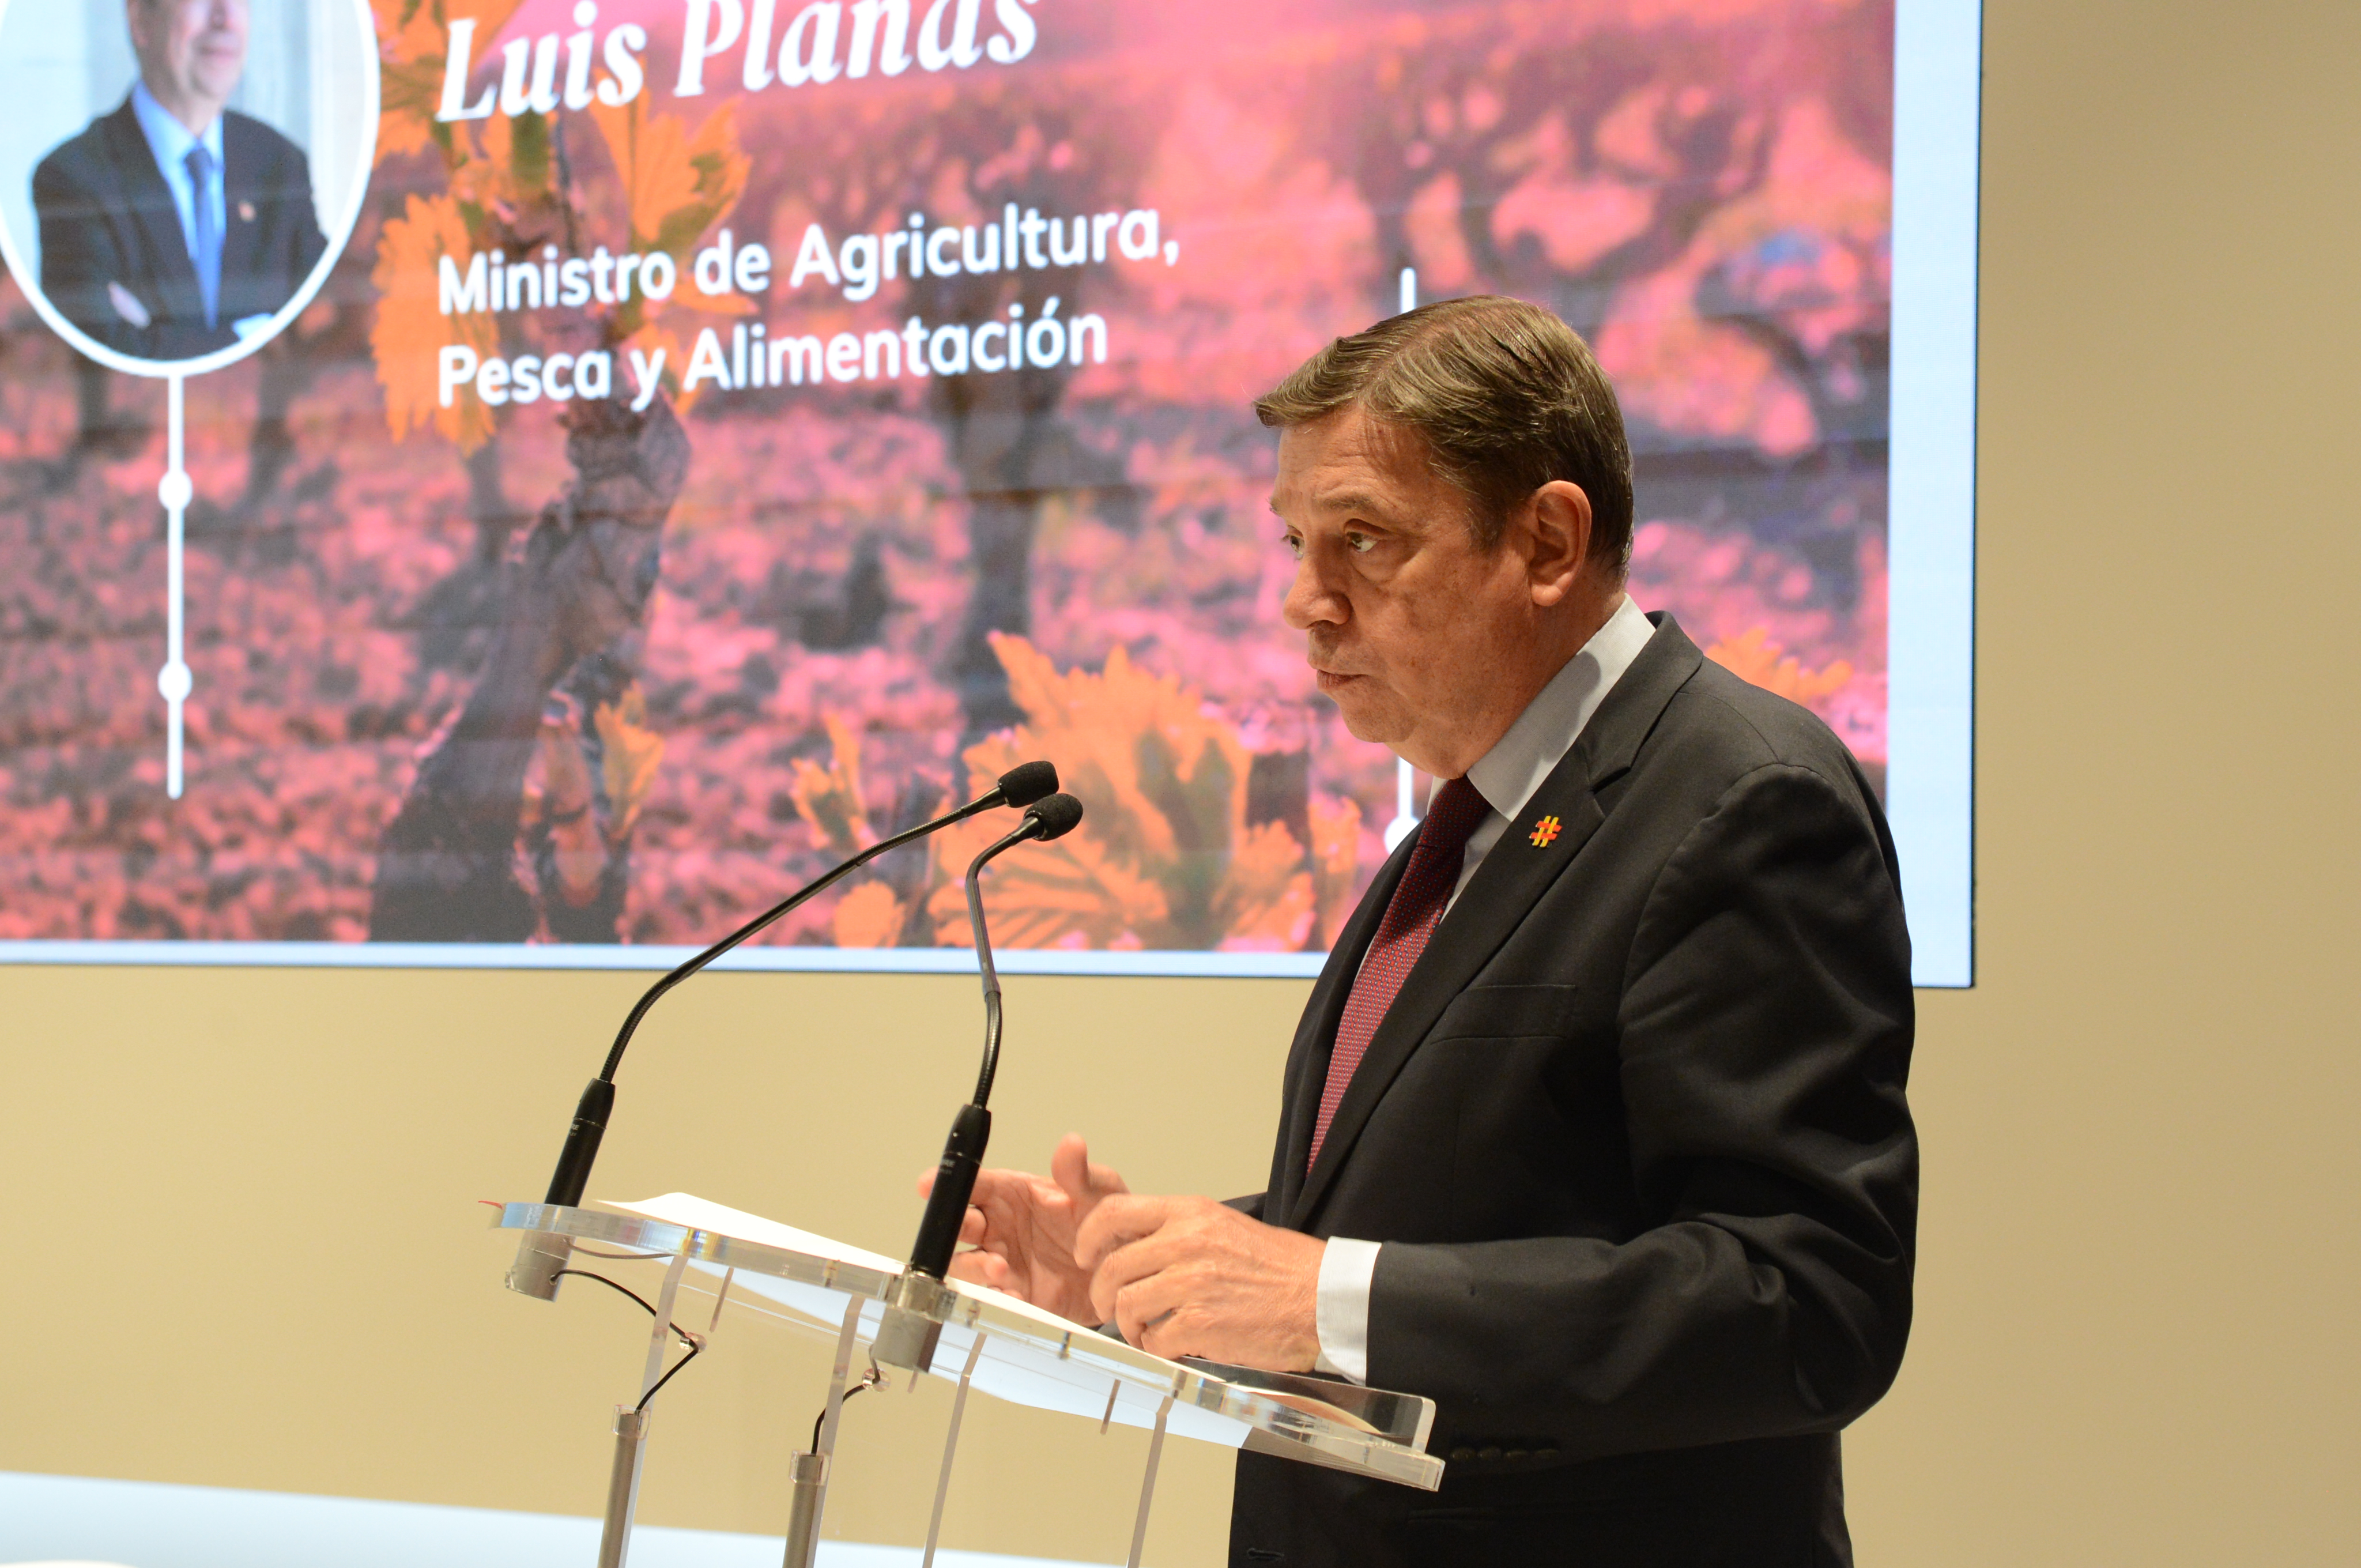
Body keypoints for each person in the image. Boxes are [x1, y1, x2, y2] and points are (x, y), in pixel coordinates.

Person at [928, 297, 1917, 1565]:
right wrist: (1145, 1277)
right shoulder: (1469, 823)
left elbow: (1802, 1302)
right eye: (1295, 542)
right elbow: (1472, 1211)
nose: (1305, 601)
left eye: (1363, 540)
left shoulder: (1741, 799)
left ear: (1547, 541)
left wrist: (1317, 1297)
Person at [31, 0, 325, 361]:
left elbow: (324, 329)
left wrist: (162, 339)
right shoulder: (73, 178)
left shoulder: (280, 165)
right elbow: (105, 357)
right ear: (141, 20)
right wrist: (258, 334)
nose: (226, 17)